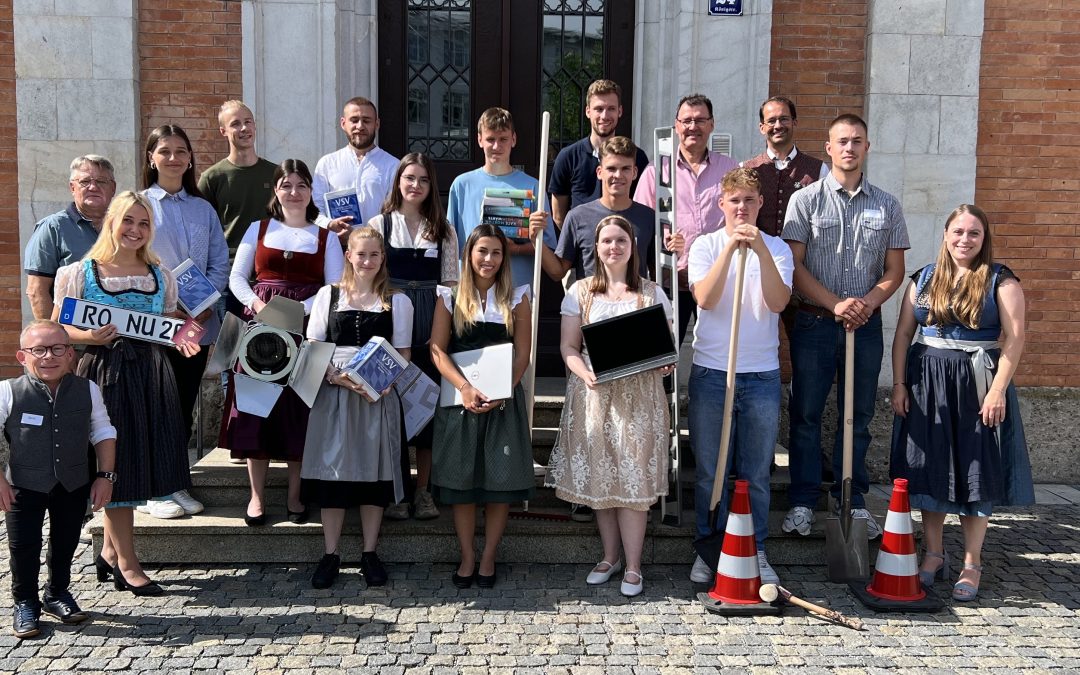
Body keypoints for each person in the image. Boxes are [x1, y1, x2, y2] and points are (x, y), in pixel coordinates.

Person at [52, 191, 200, 597]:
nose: (136, 230)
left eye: (144, 223)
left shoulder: (159, 273)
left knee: (139, 461)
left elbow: (169, 321)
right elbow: (58, 328)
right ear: (112, 222)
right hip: (104, 373)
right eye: (128, 221)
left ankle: (111, 554)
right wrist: (90, 336)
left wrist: (185, 337)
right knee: (113, 460)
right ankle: (128, 564)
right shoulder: (81, 273)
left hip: (151, 374)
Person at [890, 204, 1034, 602]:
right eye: (958, 232)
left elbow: (1016, 338)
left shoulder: (1000, 281)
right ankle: (933, 554)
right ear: (946, 234)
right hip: (926, 384)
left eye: (973, 233)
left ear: (984, 239)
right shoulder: (923, 278)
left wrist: (997, 390)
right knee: (929, 468)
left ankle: (972, 563)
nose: (964, 240)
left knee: (974, 469)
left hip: (976, 384)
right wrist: (900, 384)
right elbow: (903, 334)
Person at [781, 114, 909, 540]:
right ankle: (802, 500)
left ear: (867, 148)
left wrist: (866, 304)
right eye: (842, 141)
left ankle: (851, 501)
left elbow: (895, 270)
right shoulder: (806, 201)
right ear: (829, 147)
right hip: (815, 324)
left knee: (858, 415)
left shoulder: (887, 205)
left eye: (857, 141)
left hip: (865, 327)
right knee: (806, 414)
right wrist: (836, 304)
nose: (850, 148)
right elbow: (794, 268)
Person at [545, 215, 674, 597]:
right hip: (595, 394)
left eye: (621, 240)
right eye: (606, 241)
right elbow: (569, 348)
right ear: (596, 248)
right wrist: (583, 372)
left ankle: (634, 566)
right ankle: (609, 556)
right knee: (603, 477)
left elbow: (663, 349)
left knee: (632, 477)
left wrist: (667, 362)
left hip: (640, 397)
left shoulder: (652, 293)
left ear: (633, 246)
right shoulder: (580, 292)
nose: (614, 247)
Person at [684, 168, 794, 585]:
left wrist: (761, 251)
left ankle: (755, 548)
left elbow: (778, 301)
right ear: (722, 204)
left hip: (761, 375)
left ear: (760, 203)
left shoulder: (778, 249)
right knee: (712, 471)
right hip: (713, 372)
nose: (742, 208)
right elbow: (706, 299)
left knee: (756, 473)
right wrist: (730, 249)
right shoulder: (706, 245)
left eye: (750, 200)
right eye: (735, 201)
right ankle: (709, 546)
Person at [223, 159, 346, 527]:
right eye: (286, 185)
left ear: (311, 191)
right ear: (276, 190)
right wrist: (259, 305)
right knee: (254, 409)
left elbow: (334, 286)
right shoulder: (257, 229)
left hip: (306, 327)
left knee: (298, 412)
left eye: (301, 185)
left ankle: (295, 494)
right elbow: (237, 278)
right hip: (259, 328)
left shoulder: (326, 237)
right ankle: (257, 497)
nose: (293, 192)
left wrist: (298, 310)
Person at [302, 227, 414, 589]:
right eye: (360, 254)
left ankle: (369, 552)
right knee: (332, 477)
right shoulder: (327, 295)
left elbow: (404, 355)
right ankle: (330, 553)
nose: (367, 261)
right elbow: (313, 345)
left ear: (383, 258)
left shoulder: (397, 301)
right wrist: (335, 377)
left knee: (373, 476)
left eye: (374, 255)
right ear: (348, 255)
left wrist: (374, 384)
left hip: (376, 397)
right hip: (332, 393)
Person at [430, 224, 534, 589]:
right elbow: (437, 350)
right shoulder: (450, 295)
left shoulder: (518, 297)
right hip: (461, 402)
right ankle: (467, 556)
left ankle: (488, 555)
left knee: (498, 484)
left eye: (496, 253)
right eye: (482, 251)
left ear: (504, 258)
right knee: (462, 483)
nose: (488, 259)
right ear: (469, 255)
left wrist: (502, 391)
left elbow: (523, 352)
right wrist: (465, 388)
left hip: (503, 402)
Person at [2, 320, 117, 639]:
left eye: (57, 349)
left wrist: (105, 476)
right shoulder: (8, 391)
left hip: (72, 481)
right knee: (24, 546)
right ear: (22, 356)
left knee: (65, 541)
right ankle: (25, 602)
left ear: (70, 355)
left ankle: (57, 594)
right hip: (23, 484)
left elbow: (103, 431)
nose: (48, 356)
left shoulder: (88, 389)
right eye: (38, 349)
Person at [140, 123, 230, 519]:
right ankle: (153, 487)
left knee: (183, 402)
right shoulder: (139, 205)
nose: (173, 158)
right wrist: (164, 307)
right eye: (165, 151)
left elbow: (219, 262)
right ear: (151, 158)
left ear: (191, 158)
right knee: (155, 404)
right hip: (156, 323)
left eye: (181, 151)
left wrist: (206, 305)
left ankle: (176, 480)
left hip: (197, 323)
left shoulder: (202, 208)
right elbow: (130, 261)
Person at [367, 153, 458, 521]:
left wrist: (444, 327)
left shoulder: (443, 228)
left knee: (429, 406)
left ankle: (424, 491)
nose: (415, 185)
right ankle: (395, 490)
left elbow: (451, 284)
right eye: (409, 178)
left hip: (431, 322)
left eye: (422, 179)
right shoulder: (379, 224)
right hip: (392, 319)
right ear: (398, 181)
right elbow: (369, 275)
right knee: (393, 405)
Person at [634, 94, 739, 344]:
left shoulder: (730, 169)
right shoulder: (655, 172)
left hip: (717, 281)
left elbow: (741, 218)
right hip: (670, 282)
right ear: (676, 125)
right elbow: (640, 225)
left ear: (712, 124)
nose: (694, 127)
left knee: (721, 351)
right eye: (687, 120)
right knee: (664, 356)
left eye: (701, 120)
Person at [446, 107, 556, 287]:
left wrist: (517, 249)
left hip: (516, 289)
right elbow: (451, 246)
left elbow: (548, 247)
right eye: (490, 139)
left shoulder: (534, 186)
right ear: (480, 140)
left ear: (513, 140)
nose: (497, 146)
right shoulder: (461, 185)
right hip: (471, 292)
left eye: (503, 139)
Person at [536, 136, 654, 283]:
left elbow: (659, 275)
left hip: (636, 303)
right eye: (611, 168)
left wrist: (675, 251)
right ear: (599, 172)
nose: (618, 175)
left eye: (625, 169)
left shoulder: (648, 217)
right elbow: (558, 271)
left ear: (634, 172)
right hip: (592, 303)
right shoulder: (577, 217)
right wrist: (536, 238)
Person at [24, 155, 117, 319]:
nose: (93, 187)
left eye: (101, 182)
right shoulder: (52, 228)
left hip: (124, 336)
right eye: (85, 182)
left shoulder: (126, 228)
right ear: (72, 188)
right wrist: (55, 339)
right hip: (74, 340)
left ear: (113, 189)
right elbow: (36, 291)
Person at [549, 79, 649, 227]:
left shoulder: (637, 157)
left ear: (620, 111)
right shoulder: (568, 157)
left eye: (611, 109)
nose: (604, 116)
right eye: (599, 109)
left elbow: (643, 206)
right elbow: (558, 215)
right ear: (588, 111)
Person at [197, 100, 279, 257]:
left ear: (255, 126)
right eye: (235, 124)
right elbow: (201, 229)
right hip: (229, 267)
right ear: (223, 131)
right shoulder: (211, 178)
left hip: (271, 264)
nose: (244, 128)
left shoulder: (276, 173)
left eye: (248, 122)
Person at [741, 96, 829, 237]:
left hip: (802, 257)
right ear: (762, 127)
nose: (778, 126)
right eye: (771, 121)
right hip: (757, 254)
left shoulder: (819, 170)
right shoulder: (745, 169)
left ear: (795, 122)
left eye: (784, 119)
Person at [312, 97, 400, 236]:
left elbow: (396, 213)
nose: (360, 126)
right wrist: (329, 224)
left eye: (366, 120)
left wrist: (366, 236)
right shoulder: (327, 163)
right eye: (354, 120)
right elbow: (314, 207)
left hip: (376, 250)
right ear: (343, 123)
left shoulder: (393, 165)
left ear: (377, 124)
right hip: (334, 247)